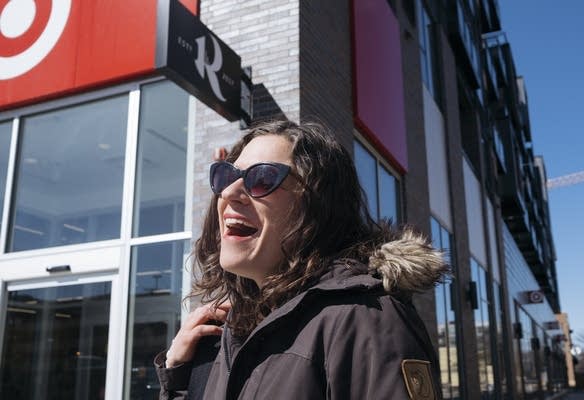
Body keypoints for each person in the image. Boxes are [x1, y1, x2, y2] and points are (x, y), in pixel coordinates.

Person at [155, 120, 448, 399]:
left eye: (263, 178)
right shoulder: (228, 332)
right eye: (226, 176)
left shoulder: (366, 319)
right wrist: (179, 377)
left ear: (319, 205)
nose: (230, 192)